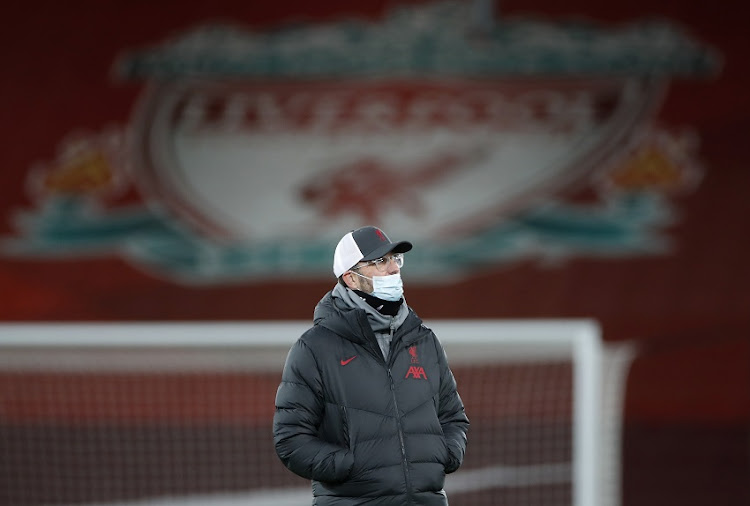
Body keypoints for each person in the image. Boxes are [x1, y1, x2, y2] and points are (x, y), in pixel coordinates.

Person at [273, 225, 469, 505]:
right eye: (380, 262)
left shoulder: (424, 340)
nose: (393, 269)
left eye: (395, 260)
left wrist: (444, 454)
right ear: (351, 278)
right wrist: (352, 466)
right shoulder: (315, 347)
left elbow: (453, 418)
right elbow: (290, 439)